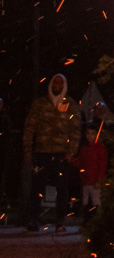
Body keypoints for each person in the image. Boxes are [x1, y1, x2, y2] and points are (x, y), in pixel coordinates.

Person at [22, 73, 81, 232]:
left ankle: (60, 221)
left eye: (60, 83)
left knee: (62, 188)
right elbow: (29, 128)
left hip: (61, 153)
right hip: (42, 152)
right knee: (37, 187)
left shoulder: (69, 104)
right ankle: (33, 220)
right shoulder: (40, 104)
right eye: (55, 83)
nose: (57, 86)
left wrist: (72, 152)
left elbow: (75, 130)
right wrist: (28, 149)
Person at [76, 123, 108, 217]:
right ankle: (87, 220)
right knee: (86, 202)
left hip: (94, 181)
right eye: (88, 133)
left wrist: (99, 179)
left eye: (92, 133)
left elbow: (102, 165)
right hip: (86, 180)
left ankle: (95, 220)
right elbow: (81, 162)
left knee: (95, 201)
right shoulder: (84, 148)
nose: (90, 136)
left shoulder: (100, 148)